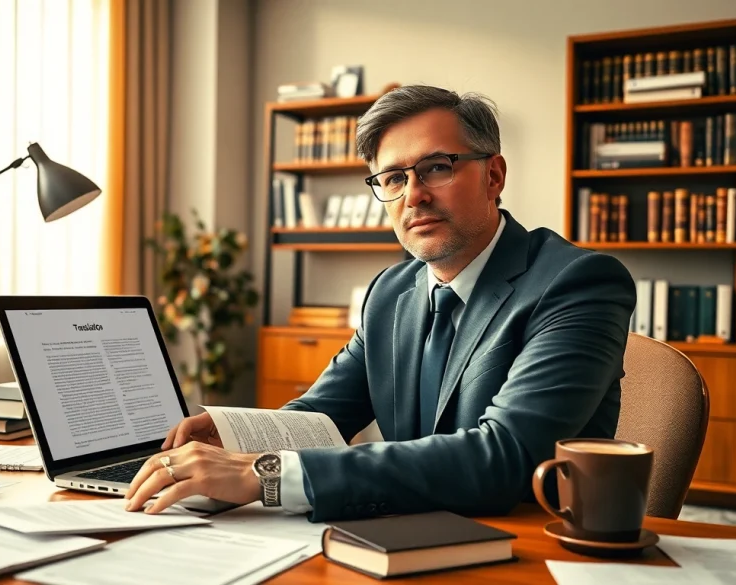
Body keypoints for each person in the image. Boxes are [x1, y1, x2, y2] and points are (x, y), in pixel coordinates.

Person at [124, 85, 636, 522]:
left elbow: (505, 458)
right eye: (392, 178)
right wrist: (232, 436)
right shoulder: (391, 292)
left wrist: (267, 474)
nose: (413, 195)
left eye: (437, 167)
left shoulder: (578, 282)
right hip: (402, 534)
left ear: (494, 176)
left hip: (523, 548)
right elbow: (322, 417)